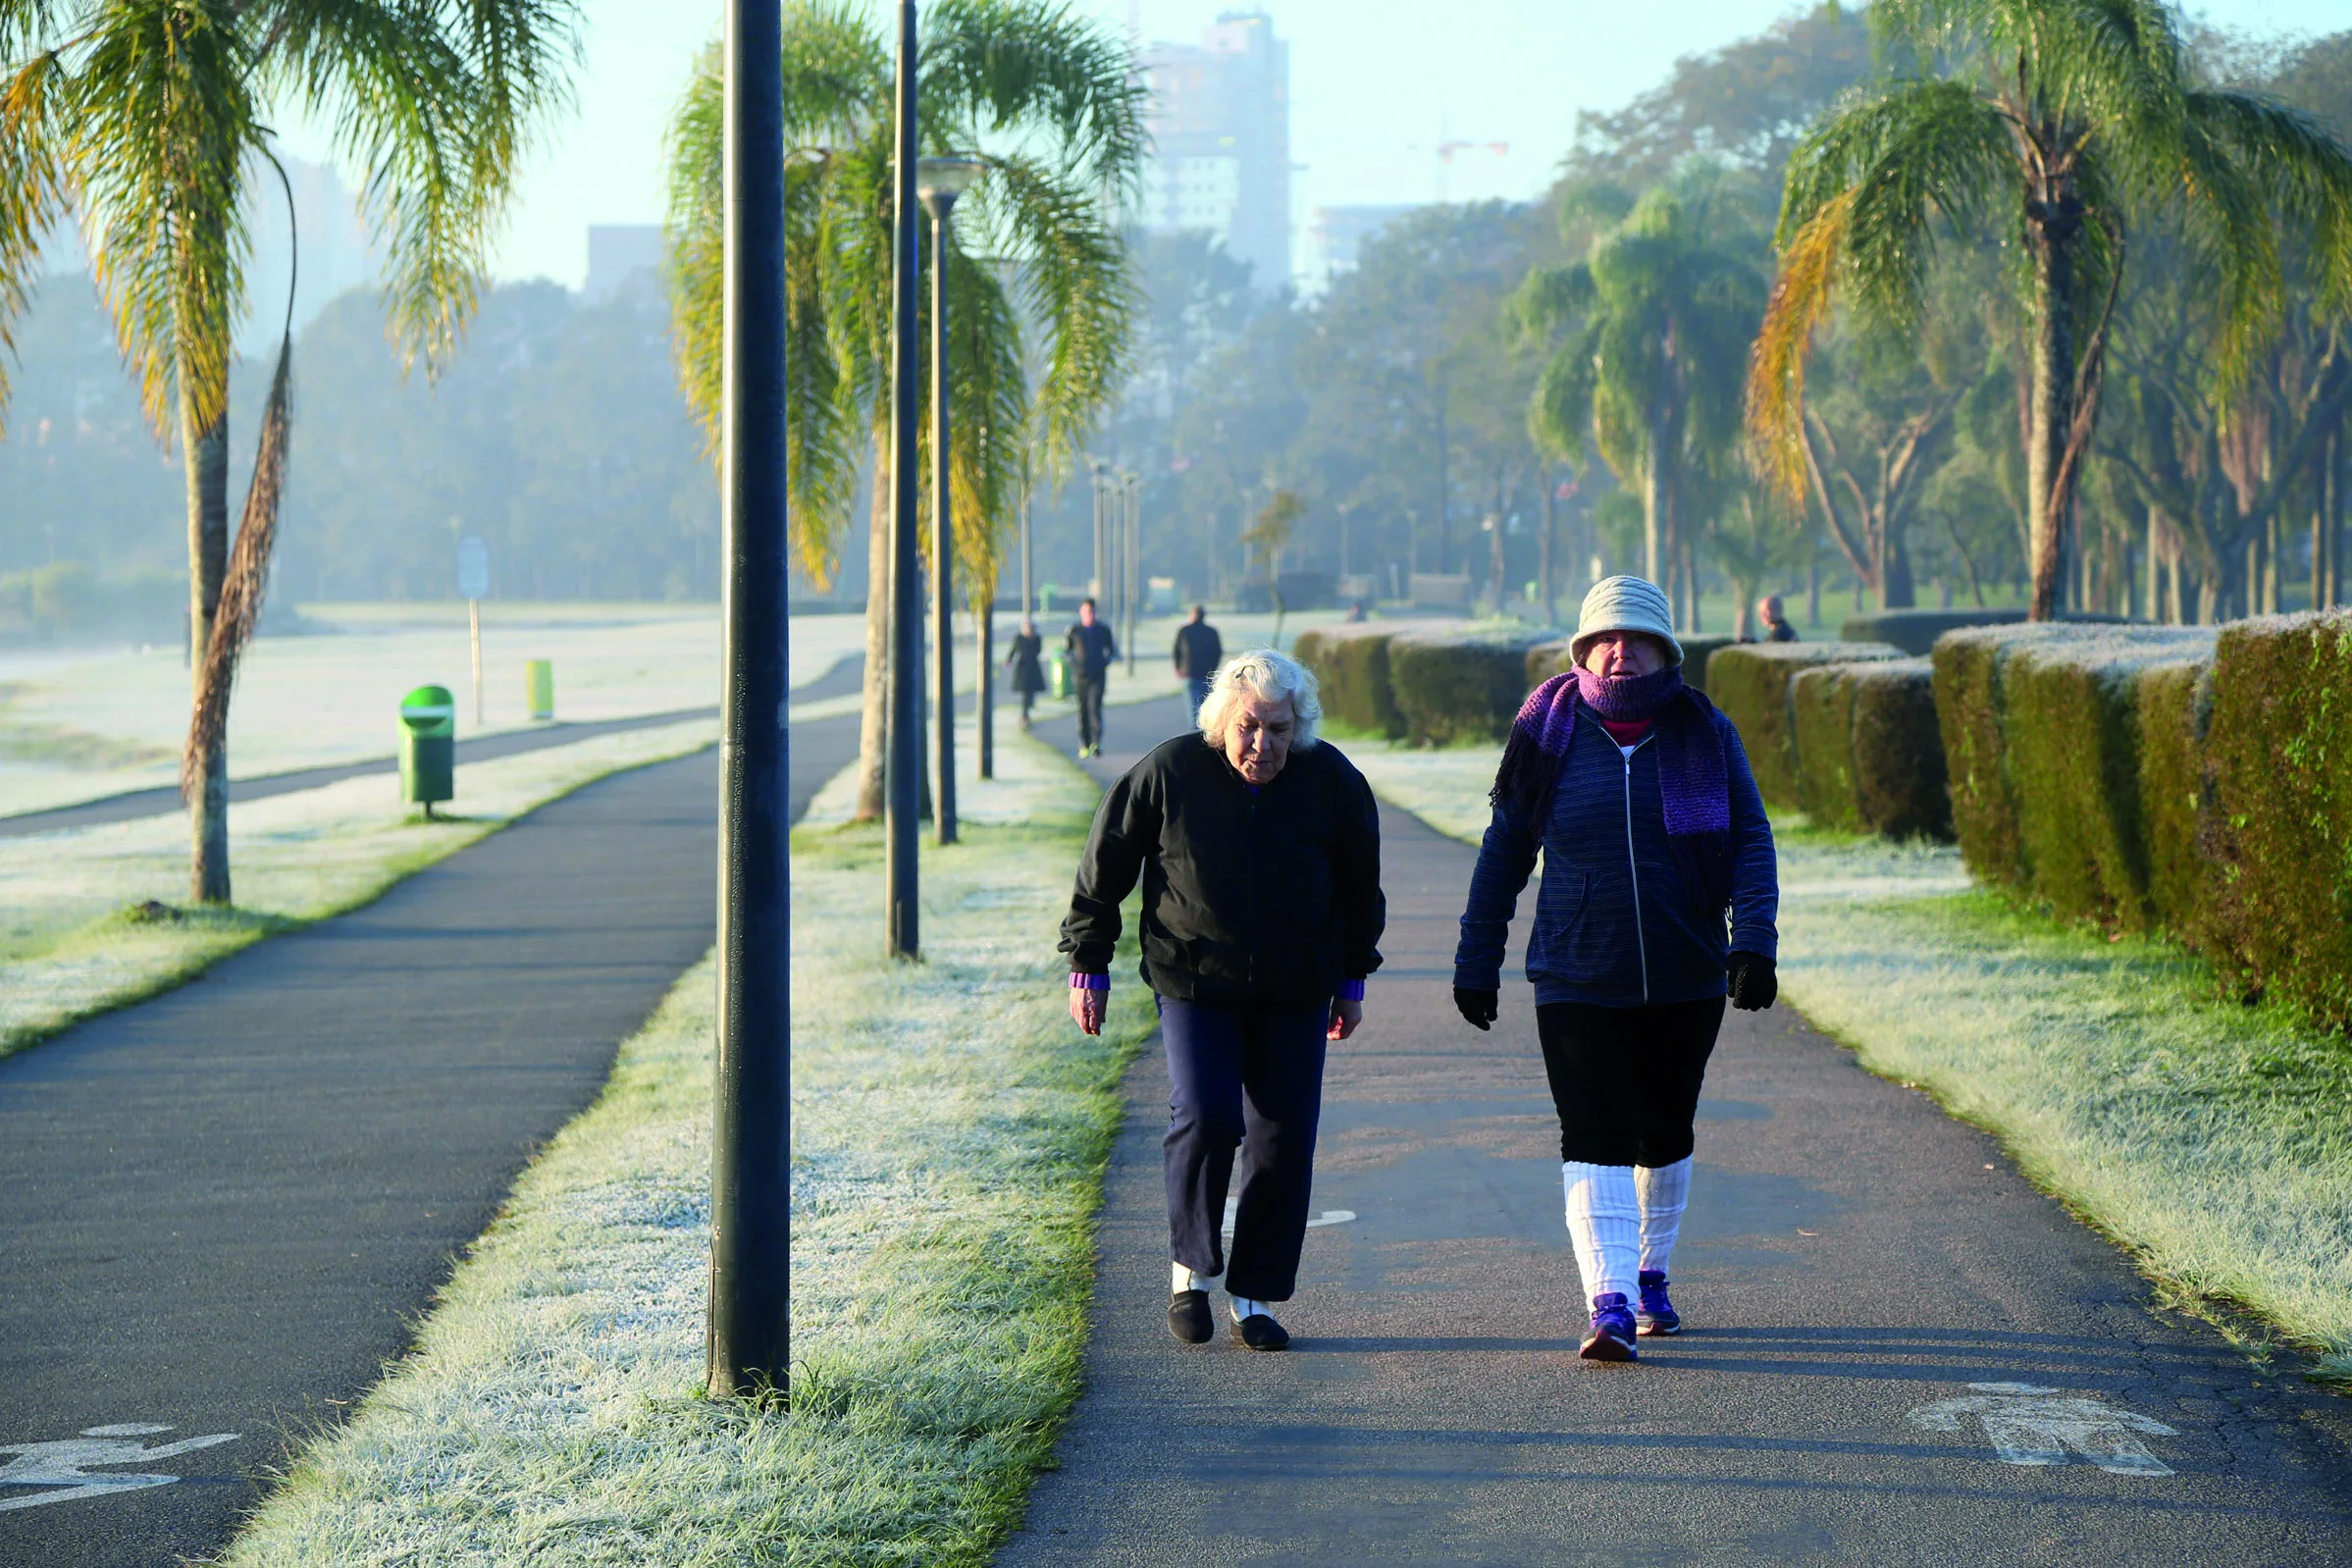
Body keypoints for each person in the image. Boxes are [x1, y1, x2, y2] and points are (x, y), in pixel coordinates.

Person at [1452, 574, 1779, 1363]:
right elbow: (1505, 852)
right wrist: (1476, 956)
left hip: (1684, 970)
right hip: (1575, 972)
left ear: (1664, 651)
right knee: (1591, 1134)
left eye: (1636, 639)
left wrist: (1753, 943)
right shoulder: (1546, 734)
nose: (1619, 652)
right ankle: (1608, 1304)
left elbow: (1749, 841)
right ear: (1582, 652)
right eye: (1604, 639)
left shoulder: (1705, 731)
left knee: (1663, 1129)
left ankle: (1650, 1273)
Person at [1062, 651, 1385, 1352]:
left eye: (1277, 728)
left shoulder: (1329, 779)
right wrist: (1088, 962)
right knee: (1206, 1118)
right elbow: (1105, 863)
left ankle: (1255, 1295)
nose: (1261, 744)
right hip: (1192, 978)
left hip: (1295, 989)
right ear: (1220, 722)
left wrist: (1351, 980)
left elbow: (1361, 886)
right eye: (1248, 727)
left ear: (1297, 727)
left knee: (1280, 1136)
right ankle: (1191, 1272)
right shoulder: (1172, 770)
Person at [1065, 599, 1118, 758]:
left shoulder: (1103, 630)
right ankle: (1084, 743)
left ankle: (1096, 743)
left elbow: (1112, 651)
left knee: (1095, 708)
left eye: (1092, 612)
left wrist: (1104, 663)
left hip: (1097, 676)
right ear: (1081, 613)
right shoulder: (1074, 630)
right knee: (1082, 710)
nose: (1090, 615)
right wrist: (1075, 663)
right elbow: (1067, 651)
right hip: (1080, 676)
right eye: (1087, 612)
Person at [1172, 604, 1224, 722]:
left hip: (1190, 673)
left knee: (1193, 708)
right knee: (1205, 708)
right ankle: (1203, 733)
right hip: (1204, 674)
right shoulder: (1211, 632)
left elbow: (1177, 652)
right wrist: (1213, 669)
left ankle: (1195, 734)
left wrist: (1178, 668)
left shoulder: (1184, 631)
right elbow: (1217, 652)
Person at [1005, 616, 1046, 729]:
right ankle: (1024, 715)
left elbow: (1038, 651)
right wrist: (1008, 660)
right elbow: (1013, 650)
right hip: (1022, 668)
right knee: (1025, 693)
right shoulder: (1019, 638)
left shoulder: (1037, 639)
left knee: (1030, 691)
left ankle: (1028, 710)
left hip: (1033, 667)